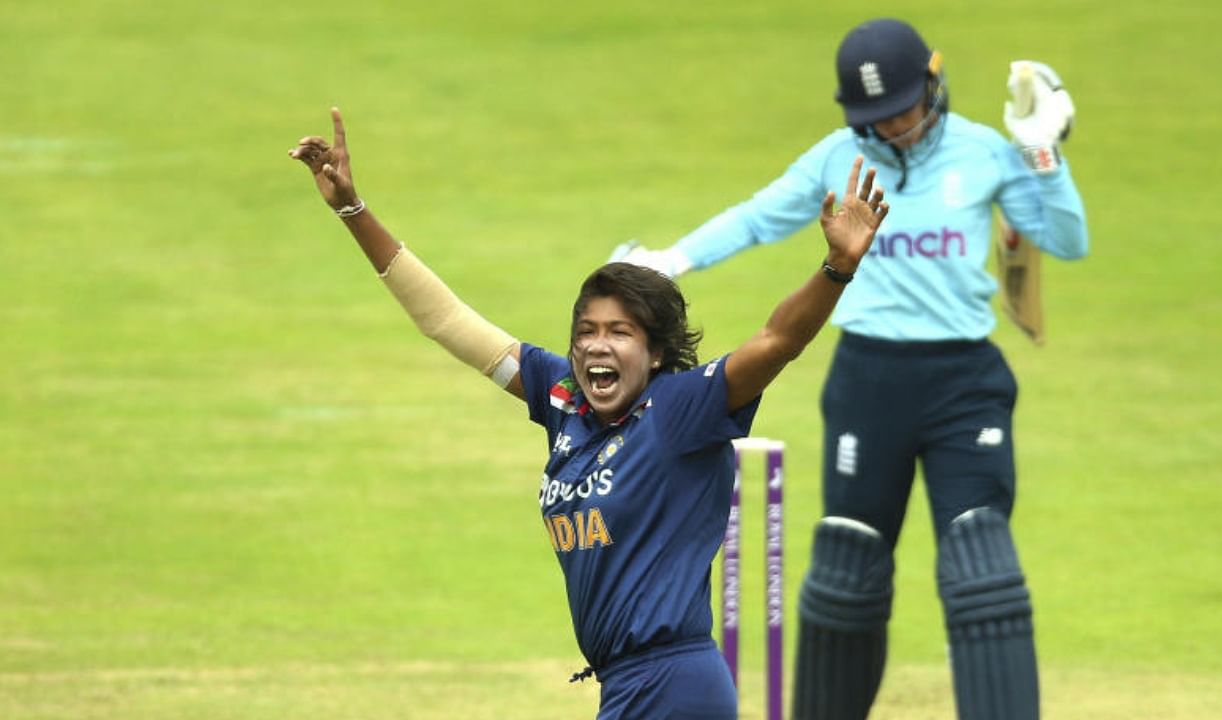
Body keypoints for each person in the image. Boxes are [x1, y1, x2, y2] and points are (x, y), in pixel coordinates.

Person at [288, 107, 888, 720]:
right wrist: (352, 211)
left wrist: (836, 268)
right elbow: (444, 320)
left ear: (655, 353)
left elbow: (777, 341)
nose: (598, 345)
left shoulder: (682, 408)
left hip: (674, 683)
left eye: (620, 332)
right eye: (587, 331)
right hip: (627, 685)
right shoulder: (563, 400)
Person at [611, 17, 1088, 720]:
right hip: (868, 383)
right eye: (875, 117)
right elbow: (757, 217)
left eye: (901, 109)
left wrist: (1043, 153)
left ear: (933, 80)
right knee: (850, 570)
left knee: (981, 565)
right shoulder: (840, 157)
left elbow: (1065, 240)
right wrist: (670, 261)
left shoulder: (986, 152)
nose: (892, 128)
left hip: (965, 382)